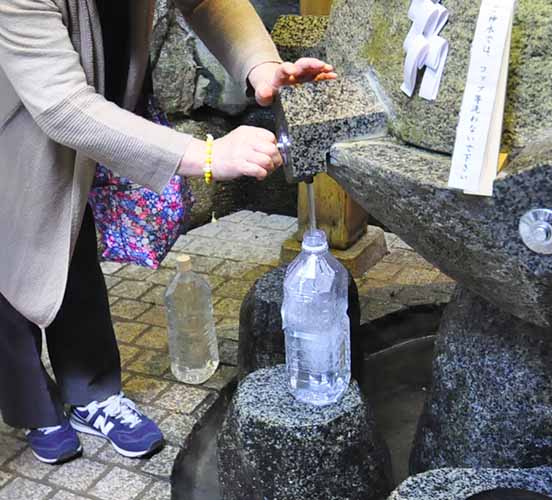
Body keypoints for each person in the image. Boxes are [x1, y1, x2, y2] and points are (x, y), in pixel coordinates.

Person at [0, 0, 336, 465]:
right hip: (16, 117)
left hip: (89, 101)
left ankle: (92, 394)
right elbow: (64, 106)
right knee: (11, 256)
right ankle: (34, 408)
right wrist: (209, 156)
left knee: (71, 240)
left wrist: (261, 65)